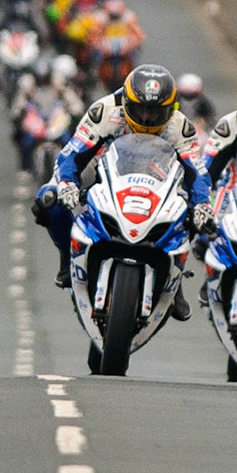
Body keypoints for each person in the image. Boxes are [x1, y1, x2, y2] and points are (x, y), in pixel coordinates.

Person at [33, 64, 212, 321]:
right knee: (48, 200)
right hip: (100, 166)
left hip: (157, 176)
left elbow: (197, 171)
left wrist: (202, 203)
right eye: (141, 109)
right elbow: (72, 153)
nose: (148, 118)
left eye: (156, 112)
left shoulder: (179, 126)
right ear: (127, 102)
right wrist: (68, 184)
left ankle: (175, 280)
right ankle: (66, 260)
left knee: (194, 213)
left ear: (171, 108)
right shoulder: (104, 110)